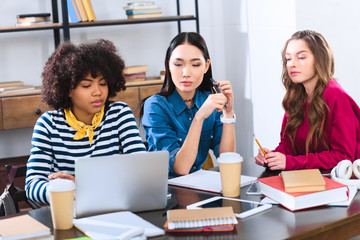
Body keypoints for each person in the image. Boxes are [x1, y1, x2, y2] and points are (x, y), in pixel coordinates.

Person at [26, 39, 146, 204]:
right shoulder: (48, 125)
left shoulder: (119, 114)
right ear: (67, 89)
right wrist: (65, 190)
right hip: (70, 211)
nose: (98, 92)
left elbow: (141, 170)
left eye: (103, 84)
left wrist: (83, 185)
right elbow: (32, 185)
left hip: (115, 204)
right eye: (86, 86)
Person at [255, 30, 360, 171]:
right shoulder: (294, 95)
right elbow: (288, 142)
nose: (292, 64)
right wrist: (275, 156)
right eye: (288, 58)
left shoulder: (336, 95)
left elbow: (343, 157)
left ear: (319, 60)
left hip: (342, 184)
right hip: (310, 179)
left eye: (301, 57)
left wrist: (291, 162)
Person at [141, 32, 236, 177]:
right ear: (168, 66)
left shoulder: (210, 101)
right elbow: (181, 168)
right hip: (166, 191)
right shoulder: (155, 106)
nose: (186, 73)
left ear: (206, 66)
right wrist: (199, 117)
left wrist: (228, 113)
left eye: (195, 64)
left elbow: (227, 158)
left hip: (197, 187)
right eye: (178, 64)